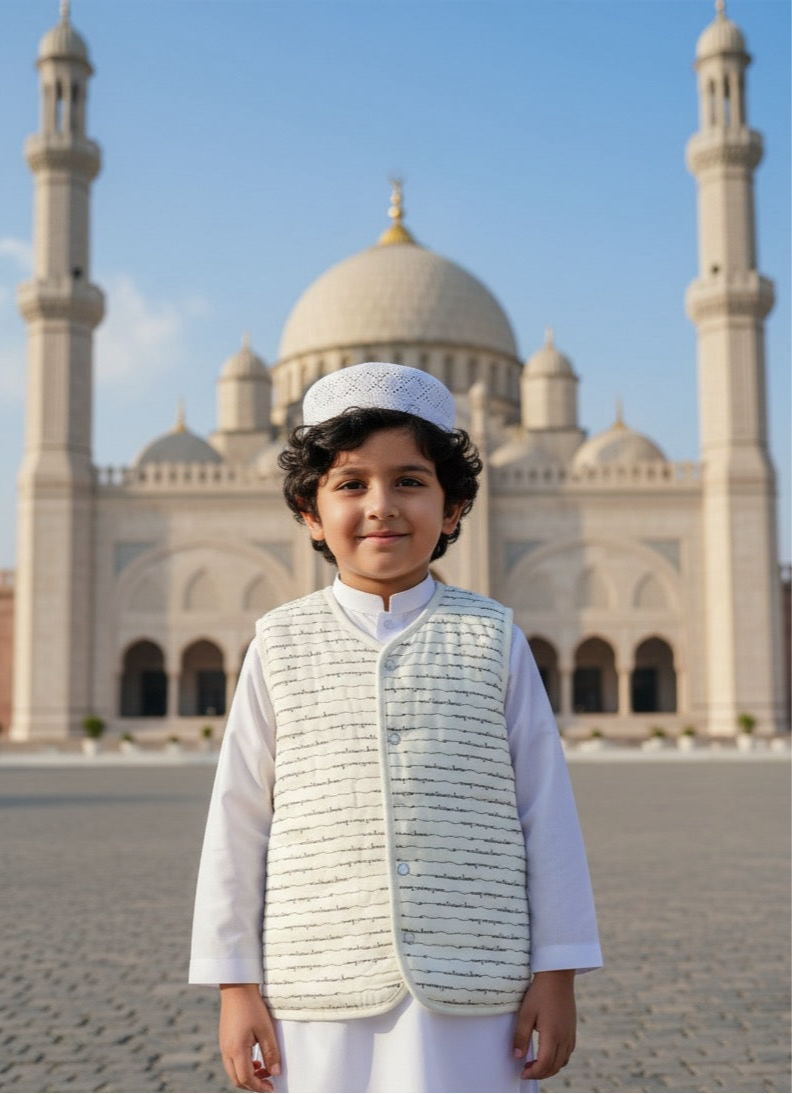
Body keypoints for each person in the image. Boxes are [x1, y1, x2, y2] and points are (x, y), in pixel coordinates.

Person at [189, 361, 602, 1094]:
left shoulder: (494, 639)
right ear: (309, 512)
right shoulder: (279, 645)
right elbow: (238, 821)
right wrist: (234, 987)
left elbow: (548, 812)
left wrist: (557, 973)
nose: (381, 505)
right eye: (351, 484)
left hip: (477, 987)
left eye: (409, 481)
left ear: (453, 509)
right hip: (317, 986)